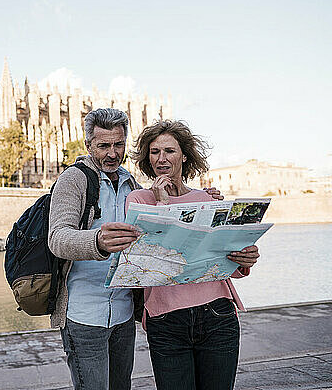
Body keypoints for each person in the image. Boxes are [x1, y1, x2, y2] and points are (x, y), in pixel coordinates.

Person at [47, 109, 223, 390]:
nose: (112, 153)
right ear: (88, 145)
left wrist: (203, 200)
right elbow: (57, 237)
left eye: (118, 145)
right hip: (84, 313)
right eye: (103, 146)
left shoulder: (132, 184)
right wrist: (97, 242)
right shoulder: (74, 179)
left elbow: (163, 223)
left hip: (123, 312)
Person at [126, 120, 260, 390]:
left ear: (184, 155)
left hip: (218, 313)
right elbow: (145, 265)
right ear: (147, 157)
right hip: (166, 320)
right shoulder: (138, 200)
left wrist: (245, 259)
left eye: (170, 151)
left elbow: (223, 262)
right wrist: (162, 202)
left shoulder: (208, 199)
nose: (162, 159)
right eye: (154, 152)